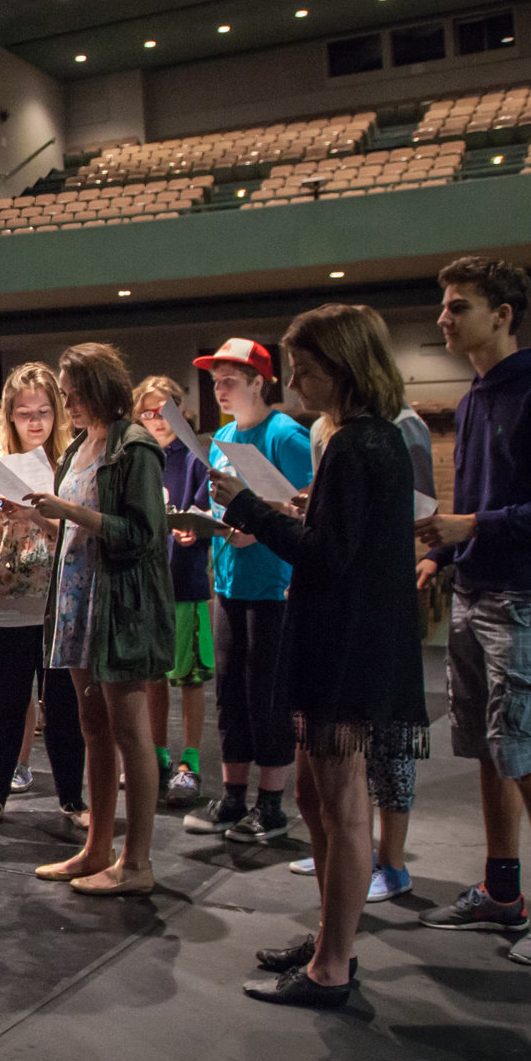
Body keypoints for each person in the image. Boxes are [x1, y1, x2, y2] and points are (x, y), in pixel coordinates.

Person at [213, 304, 430, 1005]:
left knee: (341, 806)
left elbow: (329, 559)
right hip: (340, 636)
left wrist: (249, 506)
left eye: (304, 368)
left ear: (342, 365)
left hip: (349, 647)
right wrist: (308, 507)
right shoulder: (354, 441)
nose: (296, 381)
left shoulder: (363, 443)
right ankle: (330, 935)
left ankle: (331, 966)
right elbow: (346, 539)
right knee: (312, 794)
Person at [415, 256, 531, 967]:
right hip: (476, 588)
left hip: (525, 596)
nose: (443, 317)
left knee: (523, 752)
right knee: (489, 750)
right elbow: (476, 509)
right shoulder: (473, 397)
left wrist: (475, 528)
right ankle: (501, 889)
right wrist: (447, 554)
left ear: (503, 313)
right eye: (444, 305)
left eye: (458, 305)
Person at [27, 344, 175, 895]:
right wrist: (41, 515)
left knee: (130, 733)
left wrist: (68, 511)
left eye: (71, 394)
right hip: (78, 599)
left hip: (119, 605)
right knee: (93, 727)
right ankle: (96, 849)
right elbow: (73, 527)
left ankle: (136, 863)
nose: (67, 405)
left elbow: (142, 535)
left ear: (99, 388)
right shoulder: (79, 448)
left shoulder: (134, 447)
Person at [290, 404, 440, 899]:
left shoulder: (396, 428)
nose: (297, 383)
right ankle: (346, 853)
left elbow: (417, 505)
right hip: (337, 602)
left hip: (379, 593)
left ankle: (391, 862)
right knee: (337, 762)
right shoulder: (322, 428)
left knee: (388, 741)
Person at [181, 338, 314, 845]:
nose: (219, 387)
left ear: (260, 382)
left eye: (230, 378)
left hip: (274, 584)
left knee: (269, 695)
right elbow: (217, 501)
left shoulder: (287, 436)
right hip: (230, 580)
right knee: (230, 693)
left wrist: (255, 527)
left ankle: (271, 804)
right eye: (215, 379)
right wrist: (201, 525)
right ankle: (234, 795)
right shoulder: (222, 436)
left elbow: (301, 506)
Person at [0, 366, 85, 830]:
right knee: (5, 701)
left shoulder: (70, 462)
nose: (34, 422)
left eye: (44, 412)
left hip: (57, 599)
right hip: (1, 597)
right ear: (9, 414)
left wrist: (37, 511)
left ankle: (73, 799)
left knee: (64, 704)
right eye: (24, 413)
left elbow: (80, 529)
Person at [133, 377, 215, 807]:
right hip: (146, 583)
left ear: (181, 413)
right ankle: (158, 753)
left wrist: (194, 528)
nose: (156, 420)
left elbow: (206, 509)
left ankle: (190, 761)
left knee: (188, 677)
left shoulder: (198, 457)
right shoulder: (137, 457)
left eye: (164, 411)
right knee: (152, 677)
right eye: (147, 412)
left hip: (184, 582)